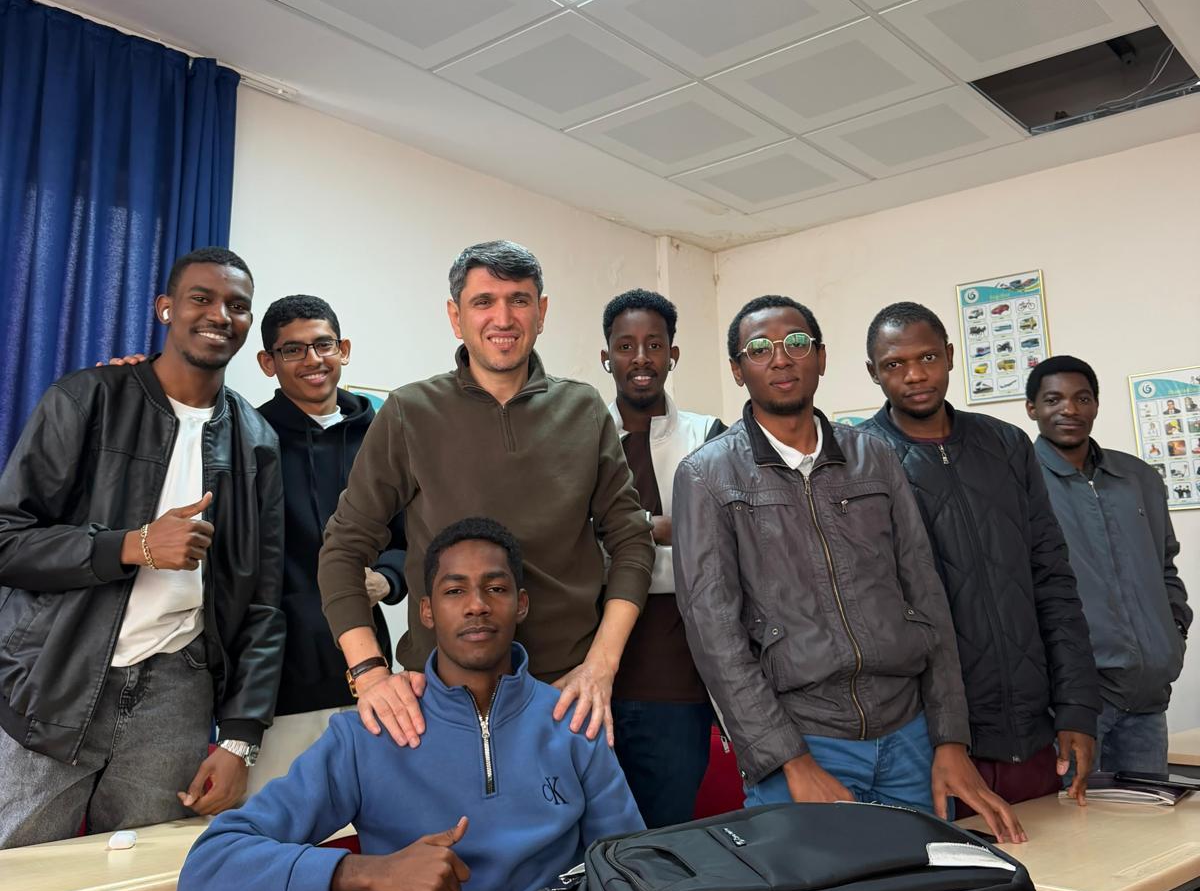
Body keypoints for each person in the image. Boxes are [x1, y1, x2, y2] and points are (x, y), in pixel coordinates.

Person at [179, 517, 642, 891]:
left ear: (521, 604)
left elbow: (628, 878)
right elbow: (209, 865)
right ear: (426, 611)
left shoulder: (572, 723)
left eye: (495, 588)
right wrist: (372, 874)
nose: (476, 606)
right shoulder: (366, 735)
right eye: (454, 591)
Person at [672, 294, 1022, 841]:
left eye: (796, 343)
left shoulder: (874, 456)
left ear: (821, 357)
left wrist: (950, 739)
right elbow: (715, 637)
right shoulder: (707, 475)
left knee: (927, 889)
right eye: (759, 349)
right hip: (805, 741)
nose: (780, 358)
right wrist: (789, 761)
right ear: (739, 371)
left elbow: (926, 596)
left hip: (910, 737)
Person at [318, 240, 654, 753]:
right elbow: (342, 550)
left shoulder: (584, 409)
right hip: (439, 703)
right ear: (456, 317)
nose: (503, 317)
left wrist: (601, 666)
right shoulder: (409, 412)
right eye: (483, 301)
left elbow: (632, 541)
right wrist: (368, 673)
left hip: (567, 698)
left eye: (519, 300)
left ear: (541, 312)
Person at [0, 247, 284, 850]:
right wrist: (133, 546)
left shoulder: (256, 441)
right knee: (19, 874)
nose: (220, 315)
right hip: (57, 675)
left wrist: (239, 738)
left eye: (237, 306)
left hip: (178, 694)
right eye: (201, 298)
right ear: (165, 309)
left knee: (143, 882)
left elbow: (262, 599)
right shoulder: (88, 398)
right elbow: (7, 539)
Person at [1028, 354, 1200, 891]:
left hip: (1145, 697)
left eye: (1081, 397)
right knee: (1078, 880)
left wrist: (1172, 636)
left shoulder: (1137, 478)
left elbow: (1166, 569)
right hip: (1075, 710)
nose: (1069, 409)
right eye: (1053, 398)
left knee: (1142, 878)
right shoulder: (1022, 479)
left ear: (1095, 404)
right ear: (1033, 409)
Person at [863, 303, 1099, 809]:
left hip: (1031, 730)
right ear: (873, 373)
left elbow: (1053, 579)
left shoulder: (1006, 444)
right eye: (895, 364)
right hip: (926, 742)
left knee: (1048, 857)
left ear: (950, 356)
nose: (915, 375)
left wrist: (1077, 707)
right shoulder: (860, 459)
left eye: (928, 357)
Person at [255, 293, 407, 786]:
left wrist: (388, 579)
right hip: (279, 681)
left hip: (370, 672)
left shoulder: (383, 435)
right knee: (282, 821)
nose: (313, 360)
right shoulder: (250, 439)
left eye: (323, 345)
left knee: (370, 818)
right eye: (293, 350)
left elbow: (413, 534)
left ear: (343, 349)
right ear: (268, 363)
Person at [600, 289, 723, 826]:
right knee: (599, 833)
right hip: (592, 660)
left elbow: (720, 534)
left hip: (676, 664)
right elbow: (567, 537)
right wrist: (661, 527)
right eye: (626, 346)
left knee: (666, 827)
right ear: (607, 357)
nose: (641, 358)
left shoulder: (708, 436)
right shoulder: (582, 437)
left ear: (673, 355)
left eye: (654, 345)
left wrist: (622, 531)